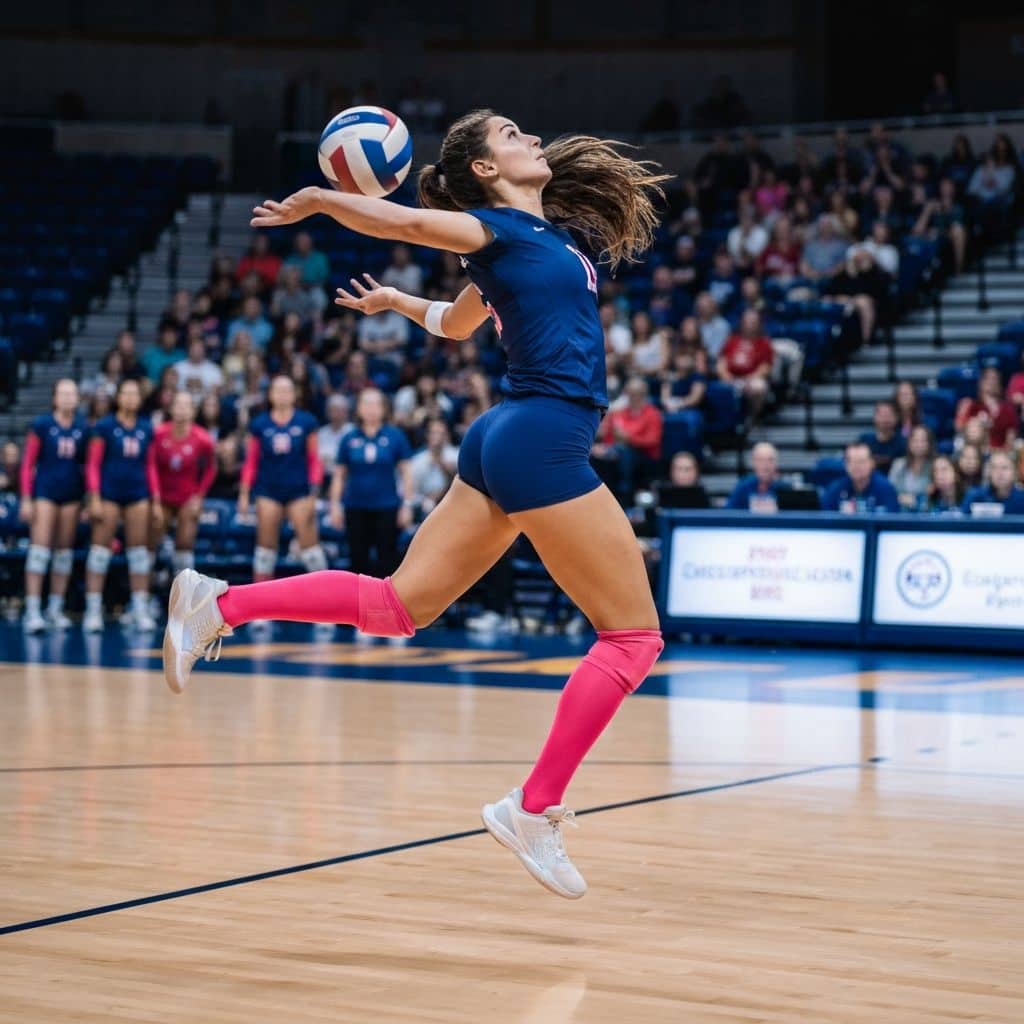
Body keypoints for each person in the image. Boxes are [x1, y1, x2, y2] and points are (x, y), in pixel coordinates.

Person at [164, 109, 668, 899]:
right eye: (509, 134)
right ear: (485, 170)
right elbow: (398, 217)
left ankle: (219, 605)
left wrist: (398, 302)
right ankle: (533, 809)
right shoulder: (486, 227)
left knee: (401, 607)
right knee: (633, 638)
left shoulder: (537, 243)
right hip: (541, 436)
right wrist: (326, 203)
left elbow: (456, 321)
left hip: (504, 437)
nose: (529, 137)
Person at [237, 375, 326, 600]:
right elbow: (251, 462)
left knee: (311, 550)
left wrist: (314, 491)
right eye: (278, 390)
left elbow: (314, 459)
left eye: (287, 390)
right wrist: (245, 493)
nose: (283, 395)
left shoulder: (307, 422)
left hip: (299, 491)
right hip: (268, 490)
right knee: (265, 551)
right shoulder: (259, 424)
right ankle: (261, 604)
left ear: (294, 394)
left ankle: (326, 603)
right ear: (270, 395)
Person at [83, 378, 156, 632]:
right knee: (100, 553)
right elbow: (92, 464)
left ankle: (139, 608)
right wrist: (94, 497)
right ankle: (93, 610)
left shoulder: (146, 427)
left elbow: (150, 466)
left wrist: (154, 498)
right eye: (125, 393)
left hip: (137, 494)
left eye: (134, 393)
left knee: (139, 554)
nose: (130, 398)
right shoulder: (104, 427)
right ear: (118, 398)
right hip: (109, 494)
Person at [18, 379, 87, 633]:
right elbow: (27, 463)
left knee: (63, 553)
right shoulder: (42, 424)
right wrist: (26, 498)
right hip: (45, 493)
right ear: (55, 398)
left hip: (71, 496)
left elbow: (87, 467)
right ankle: (33, 610)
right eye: (64, 393)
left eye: (72, 393)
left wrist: (87, 500)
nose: (68, 397)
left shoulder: (82, 427)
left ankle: (55, 609)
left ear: (78, 398)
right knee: (39, 551)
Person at [329, 388, 415, 577]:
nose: (371, 409)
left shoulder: (395, 436)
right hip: (355, 507)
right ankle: (359, 605)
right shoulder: (349, 438)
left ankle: (385, 605)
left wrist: (407, 505)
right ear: (358, 408)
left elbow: (406, 473)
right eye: (366, 403)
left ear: (384, 409)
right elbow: (339, 475)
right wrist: (334, 505)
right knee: (358, 560)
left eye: (376, 404)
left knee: (387, 559)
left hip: (386, 507)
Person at [147, 391, 217, 577]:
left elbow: (211, 468)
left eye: (187, 405)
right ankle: (145, 593)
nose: (182, 409)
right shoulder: (158, 434)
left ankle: (184, 596)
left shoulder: (203, 438)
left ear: (193, 411)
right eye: (178, 404)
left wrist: (199, 496)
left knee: (185, 545)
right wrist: (154, 498)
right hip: (161, 496)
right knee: (149, 544)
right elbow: (150, 466)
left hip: (187, 497)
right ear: (171, 409)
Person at [591, 375, 664, 503]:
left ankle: (624, 495)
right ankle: (596, 493)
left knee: (624, 452)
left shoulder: (652, 414)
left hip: (644, 457)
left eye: (637, 393)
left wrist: (629, 439)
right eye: (630, 393)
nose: (633, 396)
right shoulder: (619, 412)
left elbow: (653, 441)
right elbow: (609, 437)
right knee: (596, 454)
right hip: (617, 453)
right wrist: (603, 448)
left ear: (644, 394)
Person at [717, 309, 774, 422]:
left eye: (753, 322)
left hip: (752, 378)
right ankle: (727, 422)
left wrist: (748, 379)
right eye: (747, 321)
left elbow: (765, 368)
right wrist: (726, 376)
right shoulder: (732, 341)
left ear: (759, 324)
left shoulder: (764, 343)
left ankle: (752, 419)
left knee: (759, 387)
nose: (749, 325)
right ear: (742, 323)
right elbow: (721, 362)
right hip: (730, 378)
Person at [820, 442, 900, 513]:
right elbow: (826, 519)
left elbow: (893, 522)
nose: (856, 466)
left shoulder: (886, 489)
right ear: (845, 464)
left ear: (872, 463)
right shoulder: (836, 488)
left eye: (861, 461)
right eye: (852, 461)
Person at [955, 367, 1018, 451]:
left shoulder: (1008, 409)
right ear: (980, 383)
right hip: (976, 453)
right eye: (987, 378)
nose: (991, 382)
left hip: (1000, 454)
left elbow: (1011, 438)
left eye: (995, 379)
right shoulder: (971, 406)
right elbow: (959, 428)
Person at [408, 417, 458, 516]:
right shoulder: (418, 460)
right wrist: (425, 500)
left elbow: (462, 484)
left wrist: (444, 466)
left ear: (446, 435)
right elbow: (413, 492)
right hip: (426, 505)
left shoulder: (456, 455)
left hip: (453, 502)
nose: (437, 436)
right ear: (427, 435)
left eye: (441, 433)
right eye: (433, 433)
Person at [961, 450, 1024, 515]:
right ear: (988, 473)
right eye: (994, 468)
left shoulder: (1022, 499)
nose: (999, 473)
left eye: (1005, 468)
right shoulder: (974, 496)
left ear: (1015, 472)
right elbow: (961, 523)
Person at [888, 424, 934, 511]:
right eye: (915, 440)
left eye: (923, 441)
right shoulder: (898, 464)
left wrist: (916, 500)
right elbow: (889, 492)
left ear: (929, 443)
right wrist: (901, 498)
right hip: (899, 514)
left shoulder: (935, 466)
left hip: (927, 514)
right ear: (909, 443)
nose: (919, 444)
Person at [726, 442, 781, 512]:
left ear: (776, 464)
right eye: (760, 460)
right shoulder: (742, 487)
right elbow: (728, 513)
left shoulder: (785, 490)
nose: (765, 465)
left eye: (770, 460)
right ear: (754, 463)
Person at [859, 400, 906, 474]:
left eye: (888, 415)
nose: (885, 420)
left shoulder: (903, 443)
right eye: (881, 415)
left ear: (896, 418)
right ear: (875, 418)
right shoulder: (864, 440)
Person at [317, 393, 354, 474]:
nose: (337, 414)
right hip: (325, 477)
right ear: (327, 412)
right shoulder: (321, 432)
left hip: (348, 477)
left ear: (346, 412)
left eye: (340, 410)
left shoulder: (353, 432)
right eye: (333, 410)